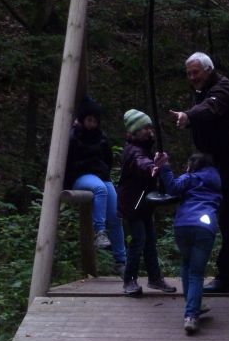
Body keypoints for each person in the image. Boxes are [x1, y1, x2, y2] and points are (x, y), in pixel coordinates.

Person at [170, 52, 229, 293]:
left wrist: (188, 116)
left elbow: (210, 108)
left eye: (196, 72)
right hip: (226, 162)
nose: (192, 77)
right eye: (189, 74)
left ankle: (227, 276)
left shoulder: (223, 88)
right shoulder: (203, 91)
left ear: (208, 69)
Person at [154, 151, 221, 334]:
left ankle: (193, 306)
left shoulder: (190, 178)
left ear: (193, 165)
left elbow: (172, 188)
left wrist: (164, 167)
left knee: (186, 263)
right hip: (205, 227)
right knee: (196, 273)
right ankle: (191, 314)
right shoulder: (216, 180)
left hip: (182, 225)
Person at [64, 96, 127, 276]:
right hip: (80, 176)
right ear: (82, 119)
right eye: (89, 120)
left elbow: (108, 159)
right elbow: (66, 161)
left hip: (101, 175)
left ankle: (121, 261)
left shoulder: (101, 137)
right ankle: (99, 232)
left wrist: (104, 171)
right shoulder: (73, 136)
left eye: (94, 121)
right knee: (100, 189)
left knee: (115, 215)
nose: (92, 124)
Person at [117, 109, 176, 296]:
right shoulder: (134, 151)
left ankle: (154, 278)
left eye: (150, 127)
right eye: (144, 128)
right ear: (134, 131)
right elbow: (142, 163)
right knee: (139, 240)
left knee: (150, 241)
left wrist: (156, 163)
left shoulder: (145, 148)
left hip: (144, 204)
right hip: (132, 205)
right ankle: (129, 280)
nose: (149, 131)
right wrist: (154, 166)